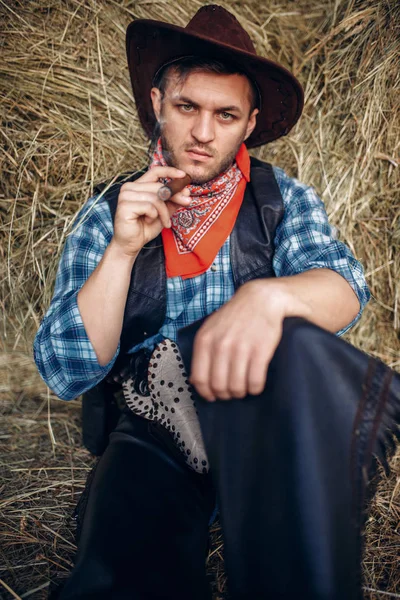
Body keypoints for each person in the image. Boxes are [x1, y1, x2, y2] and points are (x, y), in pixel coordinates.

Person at [33, 5, 400, 600]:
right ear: (157, 105)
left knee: (303, 350)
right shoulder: (109, 212)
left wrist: (266, 297)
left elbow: (344, 291)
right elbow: (68, 371)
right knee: (125, 560)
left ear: (249, 124)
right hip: (154, 424)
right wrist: (124, 251)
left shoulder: (281, 200)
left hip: (258, 412)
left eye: (225, 115)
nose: (204, 133)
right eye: (188, 108)